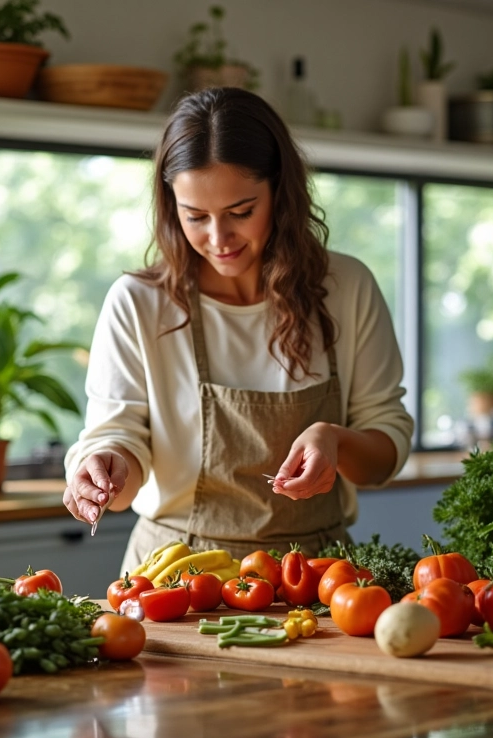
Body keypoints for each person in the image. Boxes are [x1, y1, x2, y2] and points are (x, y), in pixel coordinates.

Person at [63, 87, 414, 575]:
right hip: (174, 573)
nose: (218, 238)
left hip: (316, 576)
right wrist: (104, 466)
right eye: (195, 216)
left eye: (241, 212)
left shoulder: (346, 287)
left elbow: (384, 452)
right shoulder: (139, 302)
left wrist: (335, 439)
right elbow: (118, 443)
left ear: (281, 193)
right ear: (171, 206)